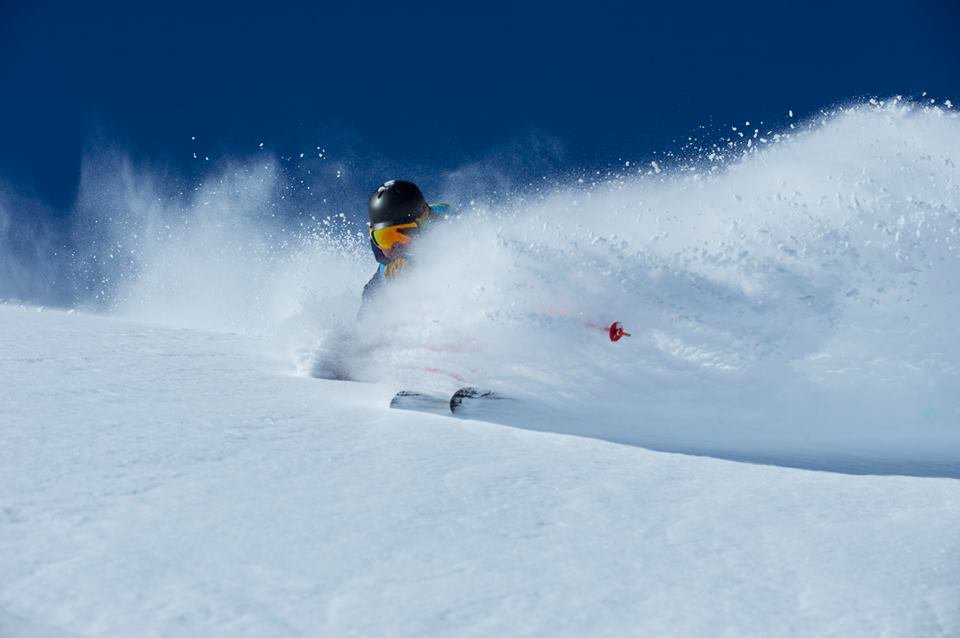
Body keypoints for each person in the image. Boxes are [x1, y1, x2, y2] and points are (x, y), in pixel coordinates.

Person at [362, 179, 446, 305]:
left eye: (404, 235)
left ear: (424, 225)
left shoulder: (448, 227)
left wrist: (416, 263)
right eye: (385, 237)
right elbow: (368, 308)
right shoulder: (384, 274)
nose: (395, 246)